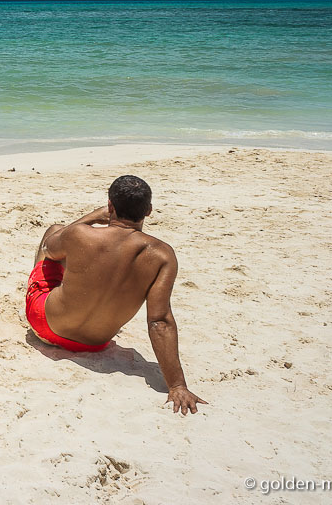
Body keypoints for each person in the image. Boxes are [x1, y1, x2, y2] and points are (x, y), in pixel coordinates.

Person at [27, 174, 207, 415]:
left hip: (45, 327)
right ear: (149, 211)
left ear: (110, 206)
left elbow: (49, 246)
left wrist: (91, 217)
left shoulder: (80, 233)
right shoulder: (163, 255)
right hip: (94, 344)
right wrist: (177, 385)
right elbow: (159, 321)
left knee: (56, 231)